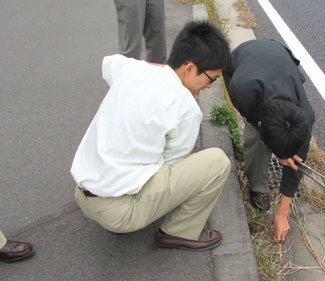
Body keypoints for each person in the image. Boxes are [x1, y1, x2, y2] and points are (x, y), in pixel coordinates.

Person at [71, 21, 231, 251]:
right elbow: (172, 164)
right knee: (217, 162)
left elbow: (109, 63)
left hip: (83, 193)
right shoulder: (186, 108)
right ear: (189, 68)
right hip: (119, 213)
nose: (210, 86)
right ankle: (179, 231)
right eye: (211, 79)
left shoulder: (133, 68)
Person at [223, 39, 315, 243]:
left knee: (287, 150)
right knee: (255, 138)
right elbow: (257, 124)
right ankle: (257, 187)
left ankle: (271, 155)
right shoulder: (242, 90)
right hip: (242, 58)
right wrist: (269, 143)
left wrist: (282, 213)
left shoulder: (305, 117)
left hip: (279, 55)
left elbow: (297, 162)